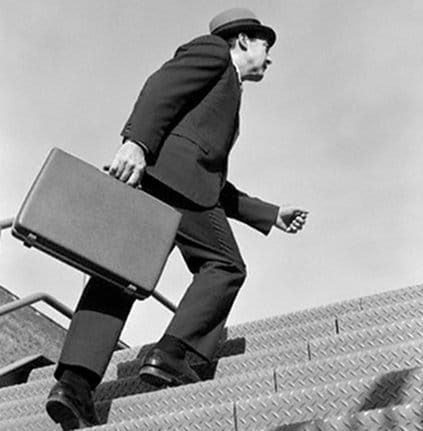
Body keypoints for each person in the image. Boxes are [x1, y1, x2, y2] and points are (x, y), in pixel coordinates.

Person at [45, 7, 308, 429]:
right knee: (224, 266)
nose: (269, 55)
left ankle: (73, 386)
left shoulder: (227, 91)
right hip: (172, 183)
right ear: (241, 40)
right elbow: (160, 88)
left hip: (166, 181)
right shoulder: (212, 54)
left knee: (118, 276)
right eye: (265, 44)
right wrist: (136, 144)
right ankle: (173, 353)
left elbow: (210, 180)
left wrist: (270, 213)